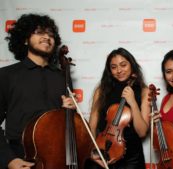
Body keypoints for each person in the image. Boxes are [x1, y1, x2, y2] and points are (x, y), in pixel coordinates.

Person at [0, 13, 76, 169]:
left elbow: (66, 124)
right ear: (25, 39)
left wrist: (69, 112)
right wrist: (9, 160)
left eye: (50, 34)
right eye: (39, 32)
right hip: (20, 158)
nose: (47, 37)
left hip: (58, 157)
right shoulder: (6, 75)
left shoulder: (62, 77)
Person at [87, 47, 151, 169]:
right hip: (102, 153)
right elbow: (92, 127)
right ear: (109, 70)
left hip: (131, 159)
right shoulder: (101, 91)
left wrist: (132, 102)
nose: (119, 70)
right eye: (114, 67)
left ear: (131, 65)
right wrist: (93, 151)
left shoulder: (144, 91)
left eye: (123, 65)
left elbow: (142, 132)